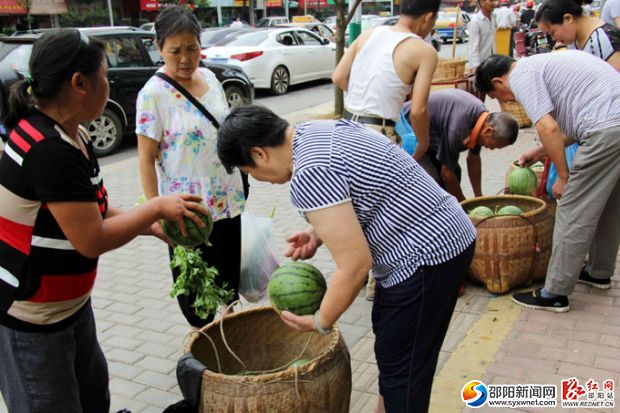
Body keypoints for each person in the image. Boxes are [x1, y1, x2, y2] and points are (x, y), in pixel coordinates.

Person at [217, 105, 477, 413]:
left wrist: (320, 319)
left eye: (250, 173)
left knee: (404, 373)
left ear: (259, 154)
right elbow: (363, 187)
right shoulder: (316, 131)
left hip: (426, 256)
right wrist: (317, 232)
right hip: (445, 235)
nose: (260, 180)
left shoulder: (309, 173)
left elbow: (355, 266)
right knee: (395, 352)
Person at [0, 28, 207, 412]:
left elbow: (93, 210)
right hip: (33, 324)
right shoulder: (47, 148)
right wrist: (156, 207)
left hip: (70, 312)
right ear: (80, 83)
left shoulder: (71, 134)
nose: (108, 86)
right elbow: (91, 239)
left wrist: (153, 228)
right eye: (105, 77)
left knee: (94, 401)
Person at [476, 53, 620, 312]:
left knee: (572, 209)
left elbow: (548, 127)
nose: (507, 101)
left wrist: (564, 178)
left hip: (605, 130)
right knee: (610, 204)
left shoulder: (521, 76)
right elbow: (572, 131)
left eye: (499, 97)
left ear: (497, 81)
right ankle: (599, 272)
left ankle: (554, 292)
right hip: (613, 126)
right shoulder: (541, 65)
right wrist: (539, 152)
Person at [136, 6, 247, 328]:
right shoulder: (152, 95)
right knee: (196, 298)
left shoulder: (211, 79)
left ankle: (233, 340)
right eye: (175, 51)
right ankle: (205, 345)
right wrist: (156, 210)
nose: (185, 58)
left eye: (192, 48)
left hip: (227, 200)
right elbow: (145, 159)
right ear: (159, 48)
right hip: (186, 212)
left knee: (228, 284)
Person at [332, 0, 439, 160]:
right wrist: (423, 144)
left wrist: (369, 96)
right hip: (378, 138)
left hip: (345, 131)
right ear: (428, 18)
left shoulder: (368, 34)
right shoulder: (425, 51)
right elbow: (418, 111)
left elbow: (338, 77)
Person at [401, 89, 519, 201]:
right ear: (488, 131)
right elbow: (446, 175)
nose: (493, 149)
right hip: (406, 132)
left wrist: (479, 197)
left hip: (430, 137)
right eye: (496, 146)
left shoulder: (481, 121)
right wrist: (465, 207)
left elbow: (473, 159)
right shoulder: (459, 130)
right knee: (433, 182)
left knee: (455, 172)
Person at [535, 0, 620, 71]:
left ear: (568, 18)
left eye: (552, 33)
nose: (553, 39)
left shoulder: (606, 40)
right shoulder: (574, 39)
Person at [469, 0, 497, 76]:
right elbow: (473, 47)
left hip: (493, 62)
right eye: (491, 1)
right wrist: (475, 67)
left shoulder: (494, 18)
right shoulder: (475, 21)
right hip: (481, 65)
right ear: (482, 2)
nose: (494, 3)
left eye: (494, 1)